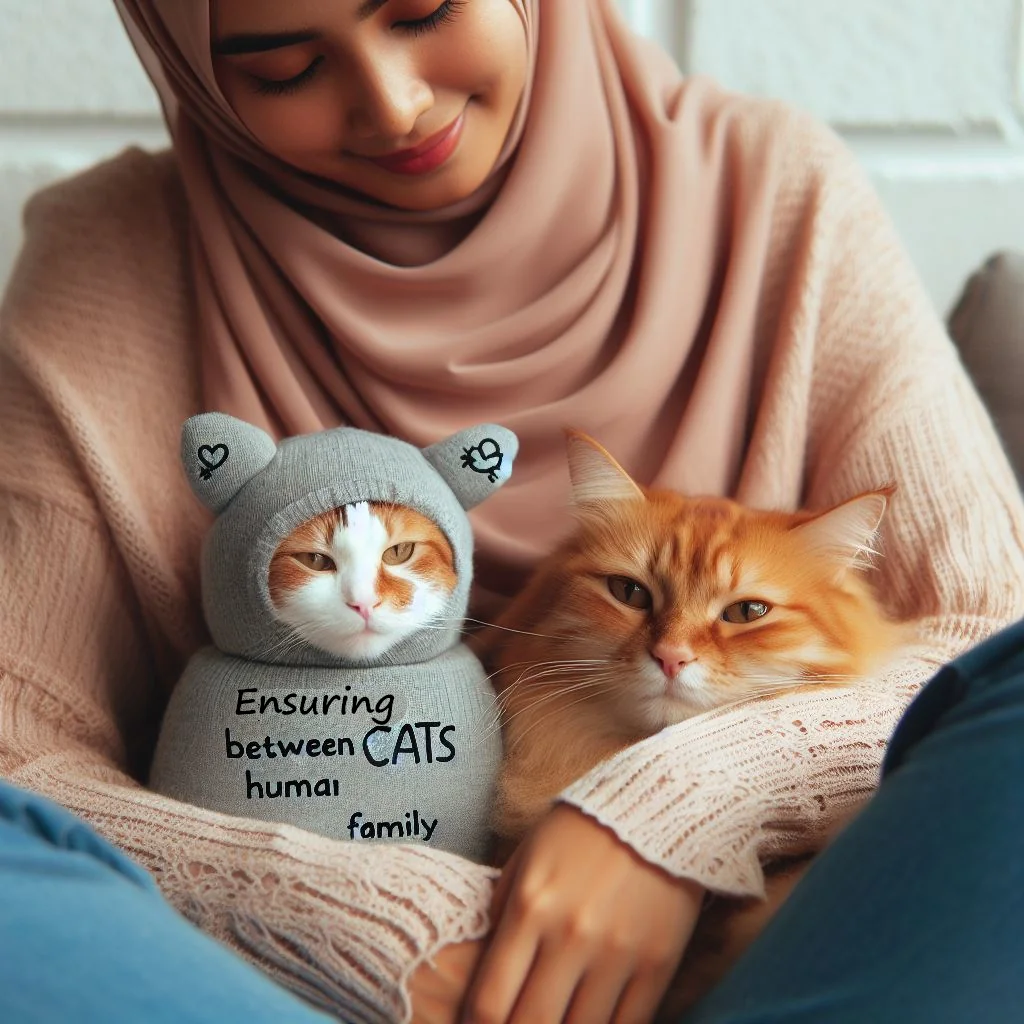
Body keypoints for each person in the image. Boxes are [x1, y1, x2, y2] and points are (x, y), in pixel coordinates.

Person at [0, 2, 1021, 1023]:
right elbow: (14, 749)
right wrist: (351, 916)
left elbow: (994, 638)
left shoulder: (774, 185)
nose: (393, 106)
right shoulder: (121, 250)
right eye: (285, 68)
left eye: (422, 9)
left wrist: (672, 807)